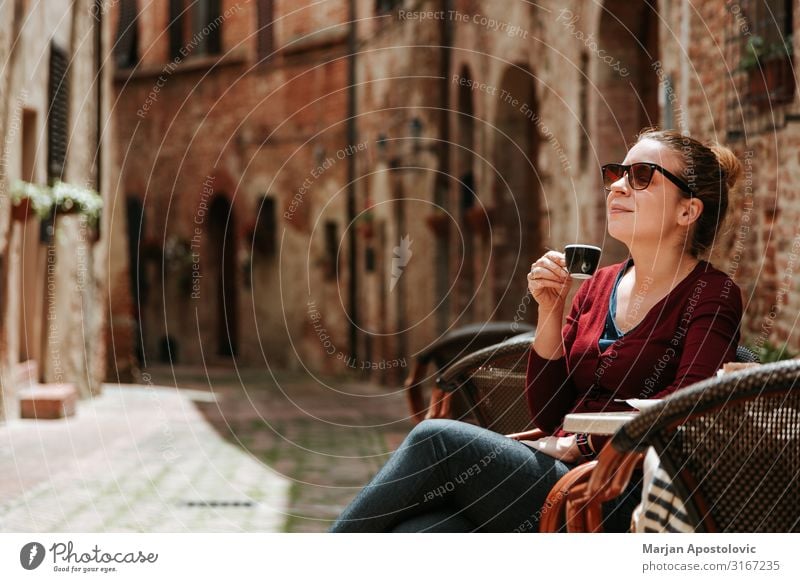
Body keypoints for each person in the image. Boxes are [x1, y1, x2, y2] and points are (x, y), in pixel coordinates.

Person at [329, 128, 744, 533]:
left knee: (435, 439)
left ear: (687, 211)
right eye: (616, 174)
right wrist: (550, 307)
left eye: (641, 177)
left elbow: (689, 407)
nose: (617, 187)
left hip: (619, 492)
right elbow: (548, 412)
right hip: (555, 476)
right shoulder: (598, 285)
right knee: (425, 529)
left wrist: (578, 445)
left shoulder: (712, 295)